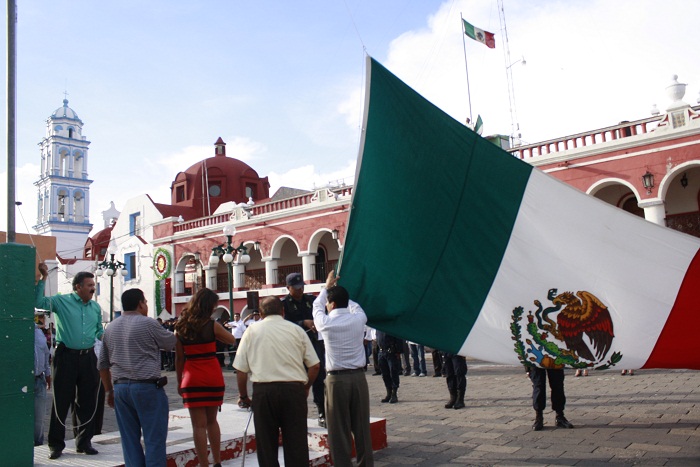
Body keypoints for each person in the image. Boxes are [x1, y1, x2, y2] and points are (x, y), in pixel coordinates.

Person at [233, 296, 320, 467]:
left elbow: (241, 371)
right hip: (293, 390)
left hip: (264, 392)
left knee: (266, 445)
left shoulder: (252, 331)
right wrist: (306, 387)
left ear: (261, 313)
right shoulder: (296, 330)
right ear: (283, 311)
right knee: (296, 444)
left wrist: (243, 396)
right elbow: (315, 366)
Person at [98, 289, 177, 467]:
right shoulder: (148, 323)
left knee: (129, 440)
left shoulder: (111, 327)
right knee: (154, 440)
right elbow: (170, 343)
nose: (147, 306)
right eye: (146, 302)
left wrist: (109, 390)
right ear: (140, 303)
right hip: (147, 387)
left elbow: (102, 364)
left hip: (120, 389)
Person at [35, 263, 103, 460]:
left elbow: (98, 330)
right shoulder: (61, 301)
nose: (93, 288)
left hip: (88, 357)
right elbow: (39, 301)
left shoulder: (95, 307)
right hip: (66, 357)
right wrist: (43, 278)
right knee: (62, 401)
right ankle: (56, 444)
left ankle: (84, 442)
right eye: (89, 284)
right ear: (78, 287)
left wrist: (107, 336)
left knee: (87, 402)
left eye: (94, 284)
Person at [313, 271, 374, 467]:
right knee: (362, 426)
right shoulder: (358, 319)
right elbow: (356, 307)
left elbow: (316, 306)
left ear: (331, 304)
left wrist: (327, 288)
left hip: (335, 380)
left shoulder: (326, 323)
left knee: (338, 429)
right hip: (358, 378)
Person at [175, 288, 236, 467]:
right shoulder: (211, 325)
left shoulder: (181, 326)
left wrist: (179, 382)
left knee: (198, 426)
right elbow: (231, 339)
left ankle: (203, 464)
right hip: (211, 375)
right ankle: (217, 461)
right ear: (209, 306)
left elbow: (179, 359)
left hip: (191, 377)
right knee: (212, 421)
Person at [281, 272, 327, 427]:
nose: (300, 290)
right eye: (296, 287)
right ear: (288, 288)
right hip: (294, 346)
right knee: (295, 380)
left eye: (301, 287)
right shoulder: (284, 304)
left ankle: (322, 411)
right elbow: (283, 323)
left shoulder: (310, 300)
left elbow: (322, 309)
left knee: (319, 377)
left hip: (313, 343)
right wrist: (303, 323)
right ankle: (295, 413)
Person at [527, 365, 574, 431]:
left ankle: (560, 416)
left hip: (555, 357)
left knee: (557, 384)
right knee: (538, 386)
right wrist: (527, 367)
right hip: (535, 359)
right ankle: (539, 417)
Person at [34, 311, 52, 446]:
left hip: (39, 379)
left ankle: (37, 445)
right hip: (21, 382)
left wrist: (48, 374)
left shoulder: (39, 332)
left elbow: (45, 355)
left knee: (39, 418)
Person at [376, 330, 404, 403]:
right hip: (381, 352)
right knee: (384, 374)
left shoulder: (390, 325)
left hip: (391, 352)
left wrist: (398, 351)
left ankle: (394, 394)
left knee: (393, 372)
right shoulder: (379, 326)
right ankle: (388, 393)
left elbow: (398, 337)